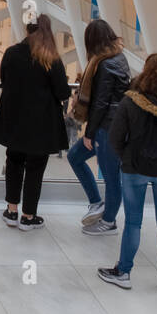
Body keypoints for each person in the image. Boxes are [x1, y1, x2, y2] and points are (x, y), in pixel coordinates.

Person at [98, 54, 157, 293]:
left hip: (135, 169)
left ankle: (123, 272)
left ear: (145, 72)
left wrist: (128, 157)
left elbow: (115, 138)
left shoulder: (132, 102)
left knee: (133, 222)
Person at [0, 14, 70, 231]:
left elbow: (5, 81)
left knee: (14, 162)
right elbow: (63, 91)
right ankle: (28, 216)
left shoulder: (12, 53)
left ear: (27, 30)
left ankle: (11, 210)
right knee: (35, 168)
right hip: (41, 125)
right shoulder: (51, 58)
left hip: (15, 120)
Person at [67, 20, 130, 236]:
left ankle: (109, 221)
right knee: (75, 157)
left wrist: (90, 133)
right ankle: (96, 202)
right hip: (113, 124)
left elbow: (102, 102)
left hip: (108, 128)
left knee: (111, 176)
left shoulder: (104, 64)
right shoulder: (118, 57)